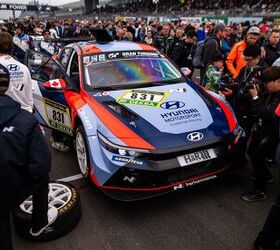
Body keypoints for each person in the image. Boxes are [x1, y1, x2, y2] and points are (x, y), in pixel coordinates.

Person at [0, 64, 57, 250]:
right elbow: (41, 165)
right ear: (8, 86)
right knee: (42, 178)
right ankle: (38, 224)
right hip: (15, 184)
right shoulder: (26, 120)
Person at [241, 66, 280, 202]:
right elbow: (260, 109)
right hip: (262, 128)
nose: (265, 85)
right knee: (251, 151)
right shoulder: (270, 92)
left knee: (257, 156)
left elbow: (271, 115)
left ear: (278, 81)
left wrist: (256, 97)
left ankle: (260, 191)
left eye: (267, 82)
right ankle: (265, 175)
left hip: (273, 132)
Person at [232, 45, 268, 165]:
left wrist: (241, 93)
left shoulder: (263, 72)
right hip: (240, 109)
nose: (246, 62)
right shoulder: (244, 69)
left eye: (249, 60)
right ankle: (239, 162)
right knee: (238, 139)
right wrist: (231, 90)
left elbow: (260, 94)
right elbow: (238, 84)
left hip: (253, 112)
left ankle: (261, 173)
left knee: (249, 144)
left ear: (258, 58)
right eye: (245, 59)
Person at [0, 32, 33, 113]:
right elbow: (29, 98)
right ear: (12, 47)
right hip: (24, 115)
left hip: (4, 116)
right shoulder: (24, 68)